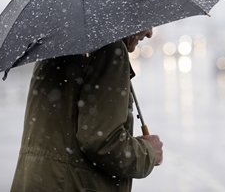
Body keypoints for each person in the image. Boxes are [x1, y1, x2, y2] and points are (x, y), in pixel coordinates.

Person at [11, 28, 163, 192]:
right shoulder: (109, 49)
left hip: (35, 180)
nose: (149, 33)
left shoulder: (58, 46)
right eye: (146, 23)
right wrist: (148, 152)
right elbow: (102, 142)